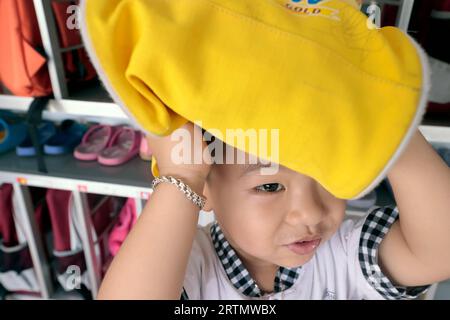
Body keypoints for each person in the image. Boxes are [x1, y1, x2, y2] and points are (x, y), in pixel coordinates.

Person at [96, 122, 450, 300]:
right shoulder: (187, 272)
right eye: (269, 186)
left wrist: (391, 126)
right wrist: (181, 175)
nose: (310, 213)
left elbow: (439, 251)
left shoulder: (349, 256)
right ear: (205, 188)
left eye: (329, 179)